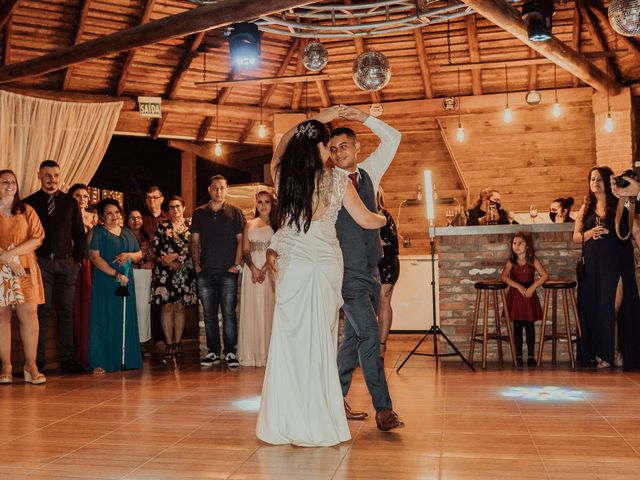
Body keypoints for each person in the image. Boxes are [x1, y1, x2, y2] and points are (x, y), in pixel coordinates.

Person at [256, 108, 386, 447]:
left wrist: (316, 118)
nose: (332, 152)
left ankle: (285, 419)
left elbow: (282, 145)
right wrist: (384, 217)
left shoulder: (283, 175)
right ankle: (318, 419)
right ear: (319, 148)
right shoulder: (338, 180)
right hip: (326, 263)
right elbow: (367, 220)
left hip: (294, 264)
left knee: (290, 341)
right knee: (322, 341)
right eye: (328, 146)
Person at [330, 105, 403, 432]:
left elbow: (393, 137)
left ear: (357, 147)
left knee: (353, 339)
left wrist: (363, 118)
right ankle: (384, 409)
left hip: (372, 269)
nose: (337, 153)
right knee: (370, 334)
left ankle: (333, 398)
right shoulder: (328, 182)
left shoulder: (371, 170)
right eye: (332, 149)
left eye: (343, 146)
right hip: (346, 273)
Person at [573, 166, 640, 370]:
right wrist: (590, 232)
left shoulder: (622, 203)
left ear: (608, 181)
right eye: (592, 179)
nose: (595, 182)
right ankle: (607, 353)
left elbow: (635, 229)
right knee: (595, 309)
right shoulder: (585, 209)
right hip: (593, 267)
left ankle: (610, 353)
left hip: (618, 263)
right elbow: (576, 237)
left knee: (611, 308)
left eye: (599, 179)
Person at [24, 160, 85, 374]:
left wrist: (76, 262)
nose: (52, 180)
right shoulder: (28, 204)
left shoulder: (70, 203)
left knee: (66, 312)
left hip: (67, 264)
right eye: (47, 175)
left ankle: (67, 360)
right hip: (41, 265)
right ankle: (36, 362)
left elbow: (80, 235)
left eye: (56, 175)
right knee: (41, 312)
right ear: (39, 175)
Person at [191, 175, 244, 368]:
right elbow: (194, 241)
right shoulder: (199, 213)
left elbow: (241, 241)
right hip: (205, 272)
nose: (218, 191)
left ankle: (230, 352)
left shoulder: (235, 212)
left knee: (229, 313)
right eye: (215, 188)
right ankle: (213, 351)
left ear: (226, 189)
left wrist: (236, 264)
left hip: (228, 272)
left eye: (222, 188)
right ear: (209, 189)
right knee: (209, 314)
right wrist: (197, 265)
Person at [0, 170, 46, 385]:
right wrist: (7, 259)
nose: (10, 185)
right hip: (1, 268)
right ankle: (6, 366)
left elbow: (38, 238)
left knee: (30, 314)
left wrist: (12, 255)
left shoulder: (26, 209)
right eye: (4, 182)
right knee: (2, 316)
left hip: (25, 267)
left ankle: (31, 365)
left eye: (13, 182)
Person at [87, 198, 143, 374]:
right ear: (102, 216)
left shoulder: (127, 232)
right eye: (109, 213)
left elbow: (139, 254)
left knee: (124, 318)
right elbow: (95, 258)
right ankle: (101, 361)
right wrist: (115, 274)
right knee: (104, 317)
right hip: (106, 280)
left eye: (116, 213)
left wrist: (128, 255)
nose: (114, 216)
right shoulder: (97, 233)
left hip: (126, 281)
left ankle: (126, 358)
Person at [151, 196, 197, 358]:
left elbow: (194, 247)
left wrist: (178, 257)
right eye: (171, 207)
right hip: (165, 272)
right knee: (167, 307)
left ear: (183, 208)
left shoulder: (191, 226)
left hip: (184, 272)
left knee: (179, 307)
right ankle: (169, 344)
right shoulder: (161, 226)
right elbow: (156, 249)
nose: (174, 210)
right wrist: (170, 263)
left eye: (177, 206)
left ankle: (178, 343)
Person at [238, 190, 276, 367]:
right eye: (260, 202)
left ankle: (269, 354)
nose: (263, 206)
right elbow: (245, 250)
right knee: (253, 309)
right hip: (251, 270)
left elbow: (279, 251)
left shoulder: (278, 225)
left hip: (271, 271)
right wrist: (253, 268)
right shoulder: (249, 224)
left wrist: (266, 269)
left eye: (266, 202)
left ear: (272, 204)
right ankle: (251, 354)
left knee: (269, 309)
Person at [500, 231, 549, 367]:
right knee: (517, 326)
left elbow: (545, 275)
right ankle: (519, 355)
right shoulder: (511, 262)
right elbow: (504, 276)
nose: (517, 246)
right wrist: (517, 286)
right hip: (516, 295)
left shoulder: (533, 260)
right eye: (514, 243)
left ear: (527, 246)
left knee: (529, 326)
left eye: (520, 243)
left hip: (529, 295)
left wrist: (533, 287)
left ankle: (531, 355)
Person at [68, 183, 97, 370]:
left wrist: (89, 226)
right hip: (73, 262)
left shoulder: (94, 218)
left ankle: (92, 349)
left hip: (91, 264)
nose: (82, 199)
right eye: (77, 195)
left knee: (90, 304)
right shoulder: (67, 215)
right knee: (76, 307)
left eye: (85, 196)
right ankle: (78, 351)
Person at [142, 186, 169, 354]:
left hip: (166, 267)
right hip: (146, 267)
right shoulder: (142, 219)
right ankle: (150, 339)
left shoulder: (169, 217)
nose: (152, 201)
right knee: (147, 304)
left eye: (155, 197)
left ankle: (165, 339)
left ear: (161, 199)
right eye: (149, 197)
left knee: (165, 304)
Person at [376, 187, 400, 362]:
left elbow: (393, 245)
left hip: (386, 264)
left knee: (383, 302)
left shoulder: (384, 216)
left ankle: (381, 347)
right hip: (366, 265)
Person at [127, 210, 154, 355]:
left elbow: (151, 255)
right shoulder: (122, 235)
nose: (135, 220)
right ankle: (130, 342)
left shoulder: (147, 236)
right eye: (132, 218)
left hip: (144, 273)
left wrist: (138, 257)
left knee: (143, 309)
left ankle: (143, 342)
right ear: (127, 220)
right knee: (130, 308)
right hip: (128, 273)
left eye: (138, 218)